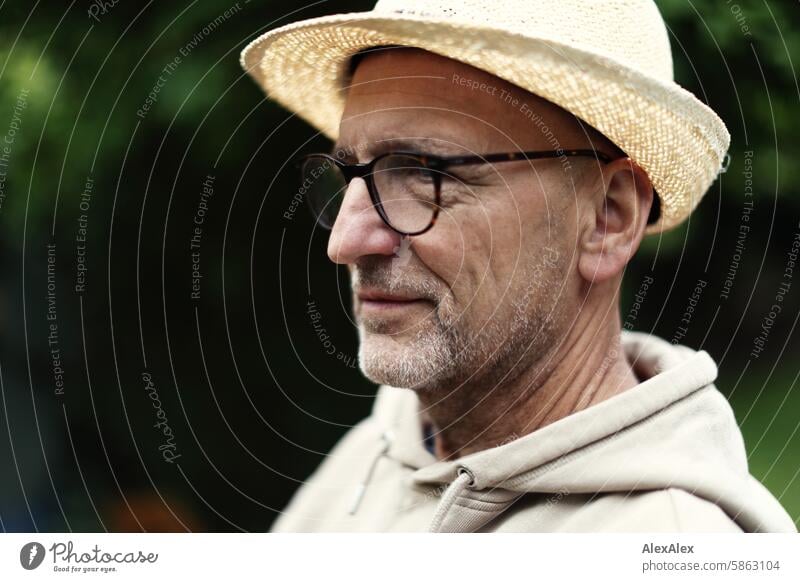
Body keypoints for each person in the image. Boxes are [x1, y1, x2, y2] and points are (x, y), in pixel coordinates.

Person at [240, 0, 796, 532]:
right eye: (349, 175)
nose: (346, 241)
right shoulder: (373, 454)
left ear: (608, 218)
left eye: (423, 173)